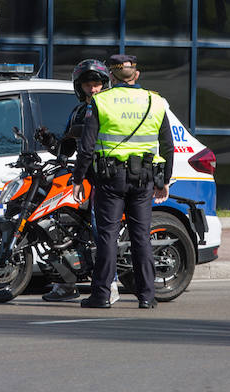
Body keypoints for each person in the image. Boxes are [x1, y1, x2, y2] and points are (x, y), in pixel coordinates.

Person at [71, 53, 173, 309]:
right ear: (136, 75)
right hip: (144, 180)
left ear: (111, 77)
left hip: (110, 179)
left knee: (107, 236)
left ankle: (102, 295)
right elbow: (168, 146)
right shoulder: (155, 101)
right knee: (141, 237)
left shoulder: (101, 101)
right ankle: (147, 296)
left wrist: (77, 179)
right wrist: (165, 180)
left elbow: (86, 147)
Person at [37, 58, 113, 303]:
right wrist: (49, 140)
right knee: (62, 226)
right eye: (87, 84)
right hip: (82, 177)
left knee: (101, 230)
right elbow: (65, 149)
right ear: (79, 87)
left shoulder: (111, 108)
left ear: (105, 84)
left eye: (96, 83)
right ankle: (66, 283)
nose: (92, 89)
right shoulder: (79, 112)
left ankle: (109, 284)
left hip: (106, 178)